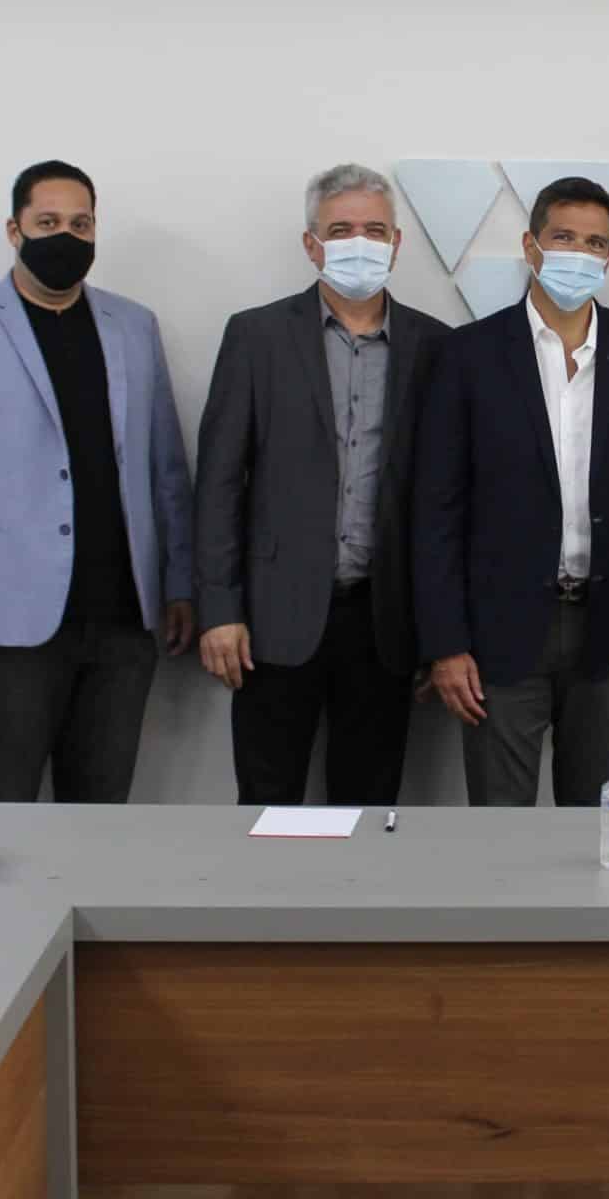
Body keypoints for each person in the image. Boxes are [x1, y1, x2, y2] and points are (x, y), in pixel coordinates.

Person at [0, 160, 194, 803]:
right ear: (15, 230)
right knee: (5, 806)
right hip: (7, 623)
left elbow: (165, 466)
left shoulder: (134, 326)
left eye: (80, 224)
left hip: (122, 618)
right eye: (48, 222)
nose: (66, 236)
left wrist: (177, 583)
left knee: (101, 809)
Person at [414, 176, 609, 806]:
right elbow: (436, 512)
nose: (579, 254)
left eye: (594, 243)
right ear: (531, 246)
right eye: (563, 238)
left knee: (596, 826)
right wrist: (445, 643)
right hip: (498, 633)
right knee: (500, 828)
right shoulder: (468, 356)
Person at [194, 164, 447, 805]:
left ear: (396, 243)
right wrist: (220, 611)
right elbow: (219, 482)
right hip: (272, 621)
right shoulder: (256, 336)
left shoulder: (435, 346)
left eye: (374, 230)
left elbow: (446, 501)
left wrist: (441, 633)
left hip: (386, 622)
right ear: (312, 245)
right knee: (266, 804)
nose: (359, 243)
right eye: (340, 230)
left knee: (369, 805)